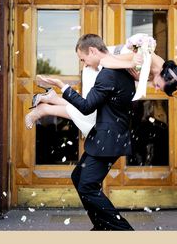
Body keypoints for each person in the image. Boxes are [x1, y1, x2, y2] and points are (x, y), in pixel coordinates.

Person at [39, 34, 136, 230]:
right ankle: (101, 225)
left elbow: (86, 106)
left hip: (108, 140)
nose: (83, 63)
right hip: (105, 138)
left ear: (92, 51)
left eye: (83, 59)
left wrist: (61, 85)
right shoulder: (118, 69)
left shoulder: (108, 73)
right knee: (78, 177)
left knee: (87, 186)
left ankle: (122, 231)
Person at [25, 35, 177, 137]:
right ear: (162, 73)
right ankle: (44, 109)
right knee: (90, 113)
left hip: (109, 74)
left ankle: (52, 98)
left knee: (93, 108)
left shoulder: (155, 70)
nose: (157, 89)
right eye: (160, 86)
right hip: (98, 66)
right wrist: (130, 63)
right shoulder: (145, 58)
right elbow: (104, 61)